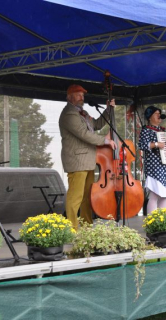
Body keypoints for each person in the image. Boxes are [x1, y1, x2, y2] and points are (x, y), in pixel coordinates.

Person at [59, 84, 116, 229]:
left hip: (88, 160)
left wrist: (109, 110)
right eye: (78, 95)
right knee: (75, 196)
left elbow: (96, 125)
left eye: (83, 95)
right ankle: (72, 229)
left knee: (87, 196)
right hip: (77, 161)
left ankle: (86, 226)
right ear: (69, 97)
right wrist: (106, 141)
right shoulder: (68, 114)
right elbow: (84, 135)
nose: (82, 98)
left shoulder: (82, 113)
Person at [138, 106, 166, 214]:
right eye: (156, 113)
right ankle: (152, 222)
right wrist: (156, 144)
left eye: (159, 113)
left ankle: (162, 222)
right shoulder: (146, 130)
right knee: (155, 195)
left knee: (164, 196)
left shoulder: (164, 131)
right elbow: (142, 145)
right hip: (154, 166)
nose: (159, 115)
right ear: (149, 116)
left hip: (165, 166)